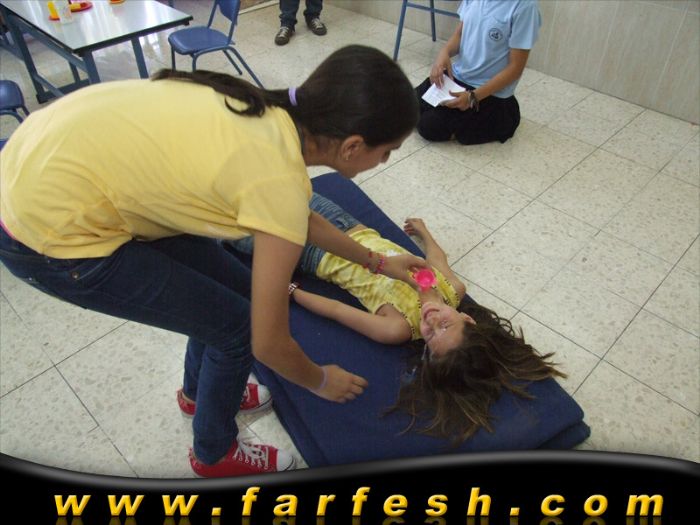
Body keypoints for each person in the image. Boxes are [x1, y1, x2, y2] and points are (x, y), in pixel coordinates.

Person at [0, 45, 424, 477]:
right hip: (46, 229)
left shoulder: (266, 111)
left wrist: (378, 262)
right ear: (353, 146)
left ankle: (196, 394)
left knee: (231, 294)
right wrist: (320, 380)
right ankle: (214, 454)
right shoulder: (276, 178)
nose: (384, 161)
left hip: (45, 161)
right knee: (238, 330)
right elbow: (269, 344)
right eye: (387, 151)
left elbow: (299, 214)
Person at [230, 192, 565, 444]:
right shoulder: (453, 289)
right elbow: (437, 258)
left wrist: (291, 291)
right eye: (445, 324)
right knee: (268, 188)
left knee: (227, 224)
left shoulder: (397, 327)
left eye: (431, 336)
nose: (431, 321)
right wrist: (424, 233)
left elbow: (336, 310)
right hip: (348, 226)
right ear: (468, 319)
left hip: (314, 253)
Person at [416, 0, 541, 145]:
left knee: (428, 126)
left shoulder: (524, 7)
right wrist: (444, 53)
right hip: (458, 79)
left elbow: (515, 69)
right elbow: (459, 35)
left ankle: (500, 120)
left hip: (490, 94)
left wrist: (473, 97)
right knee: (405, 105)